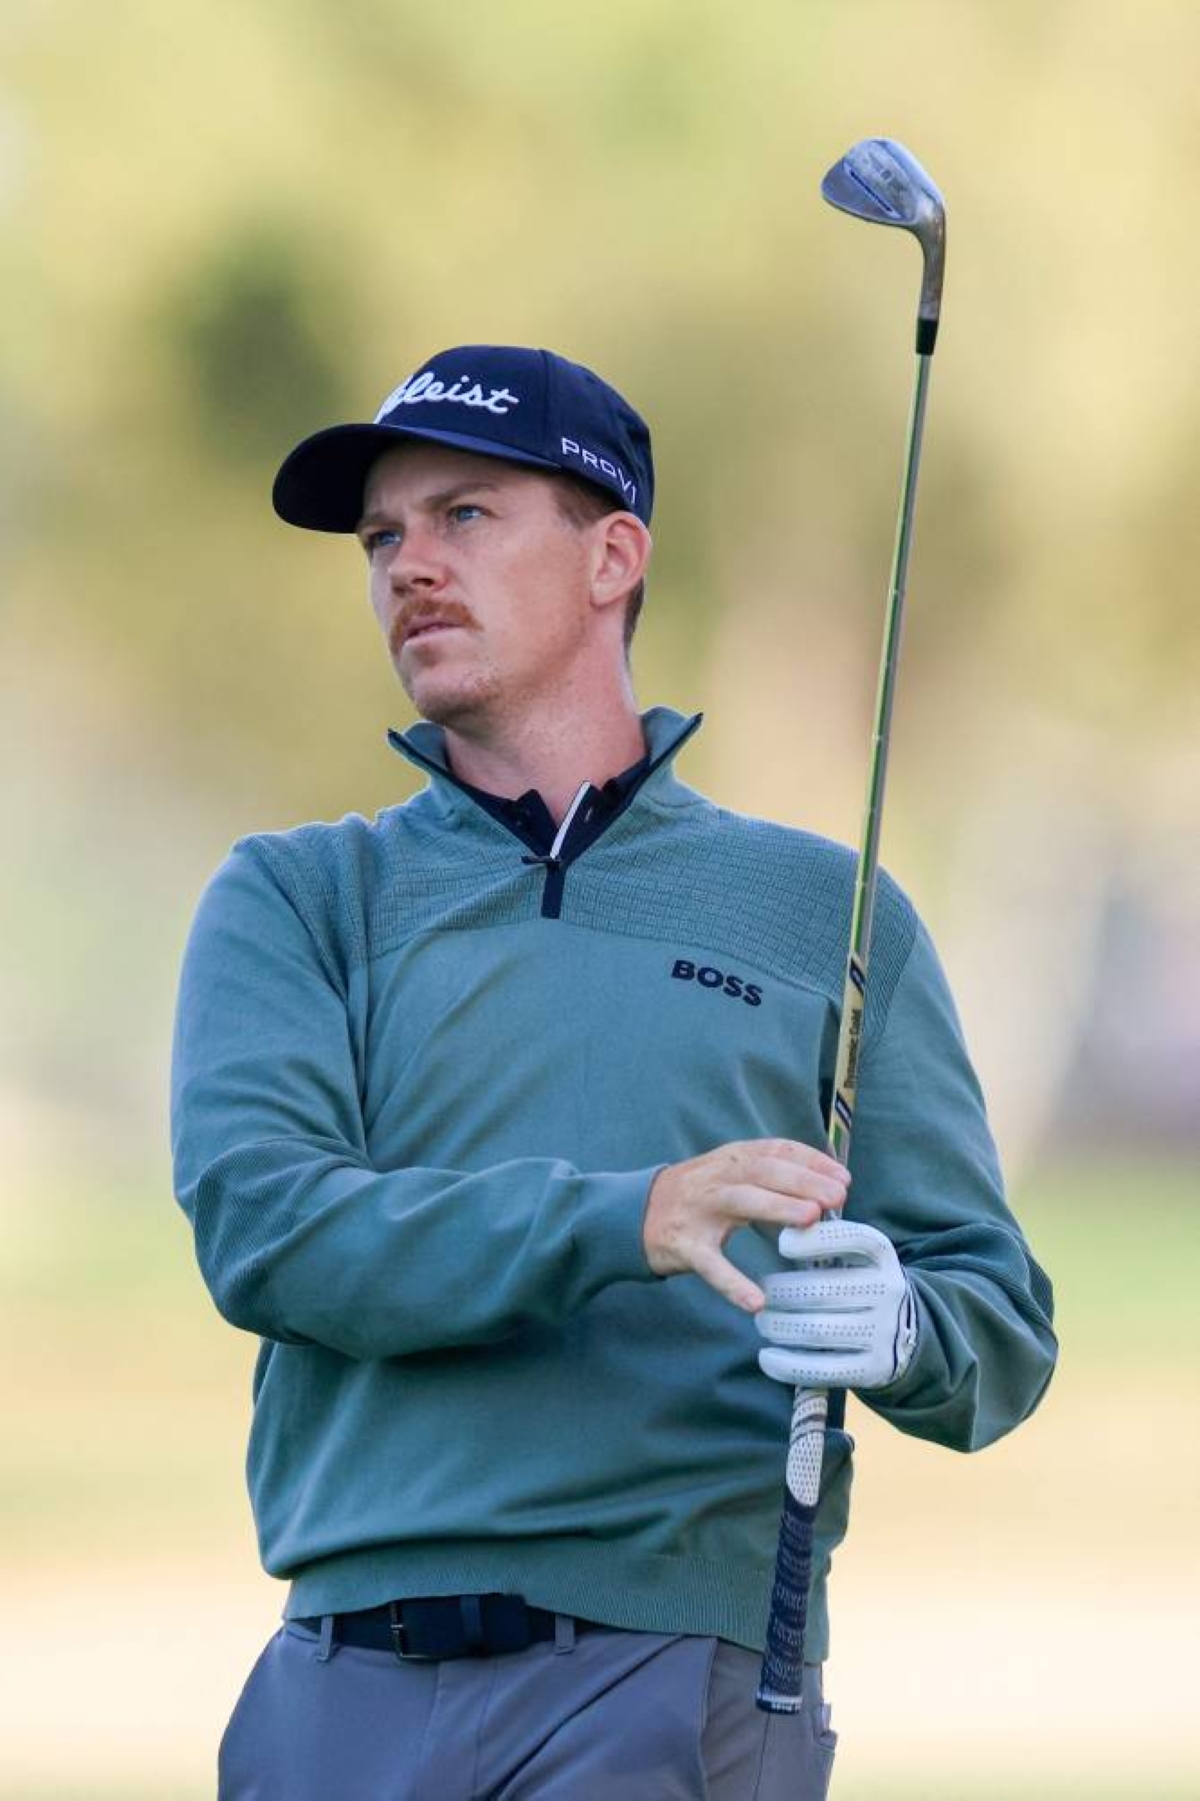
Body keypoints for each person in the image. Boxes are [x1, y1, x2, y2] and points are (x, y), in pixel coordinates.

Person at [170, 344, 1057, 1800]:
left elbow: (995, 1325)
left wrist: (902, 1328)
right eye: (384, 536)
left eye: (465, 516)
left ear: (613, 557)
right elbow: (270, 1231)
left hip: (673, 1681)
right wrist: (631, 1215)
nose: (410, 568)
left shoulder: (825, 914)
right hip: (335, 1687)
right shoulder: (296, 897)